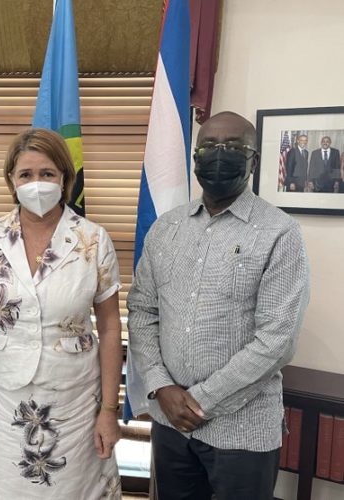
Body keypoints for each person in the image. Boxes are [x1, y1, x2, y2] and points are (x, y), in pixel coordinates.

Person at [127, 111, 310, 500]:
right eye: (209, 146)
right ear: (195, 158)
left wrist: (199, 401)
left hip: (242, 431)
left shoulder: (280, 232)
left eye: (233, 146)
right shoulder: (166, 228)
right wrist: (161, 386)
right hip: (171, 423)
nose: (219, 154)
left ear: (253, 160)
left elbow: (277, 340)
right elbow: (142, 311)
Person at [0, 128, 123, 499]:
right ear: (11, 180)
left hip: (77, 401)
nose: (37, 183)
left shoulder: (94, 239)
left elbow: (111, 328)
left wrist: (109, 409)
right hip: (4, 399)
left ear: (64, 178)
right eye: (26, 174)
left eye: (47, 173)